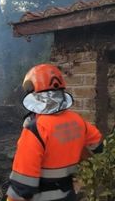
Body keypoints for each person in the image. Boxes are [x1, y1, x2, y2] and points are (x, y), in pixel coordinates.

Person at [6, 64, 103, 201]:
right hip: (68, 194)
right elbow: (99, 146)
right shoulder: (78, 120)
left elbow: (23, 184)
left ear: (35, 94)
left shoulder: (37, 128)